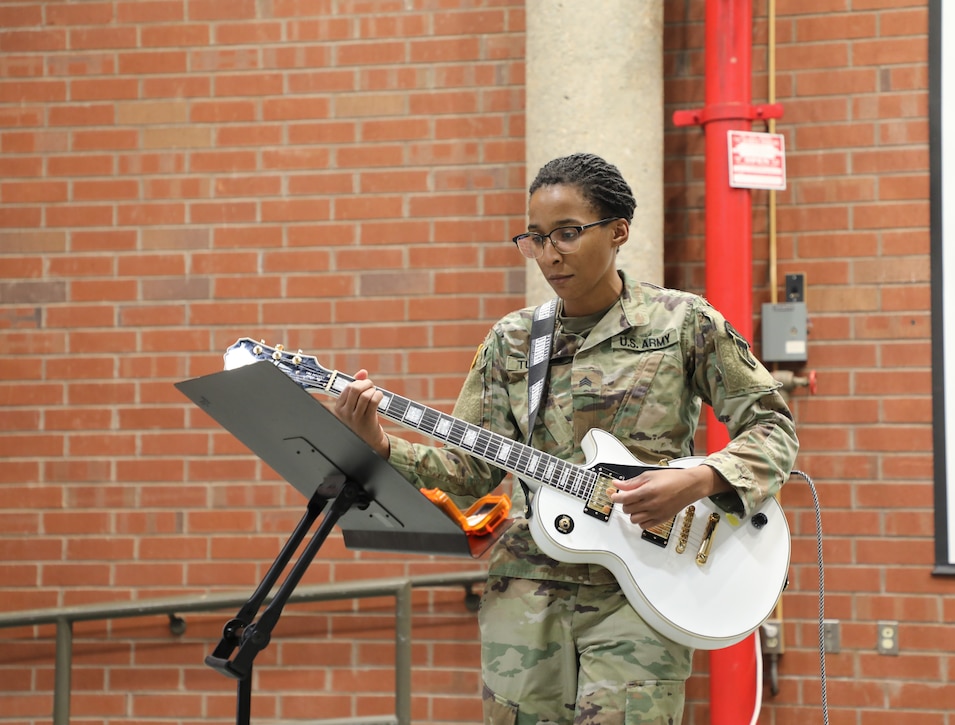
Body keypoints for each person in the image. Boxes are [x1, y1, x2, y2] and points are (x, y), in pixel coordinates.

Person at [333, 152, 799, 725]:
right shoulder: (512, 340)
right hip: (528, 588)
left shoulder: (684, 324)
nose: (550, 254)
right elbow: (470, 470)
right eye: (536, 238)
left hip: (646, 590)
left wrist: (697, 479)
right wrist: (379, 445)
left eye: (568, 233)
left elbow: (772, 424)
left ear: (619, 230)